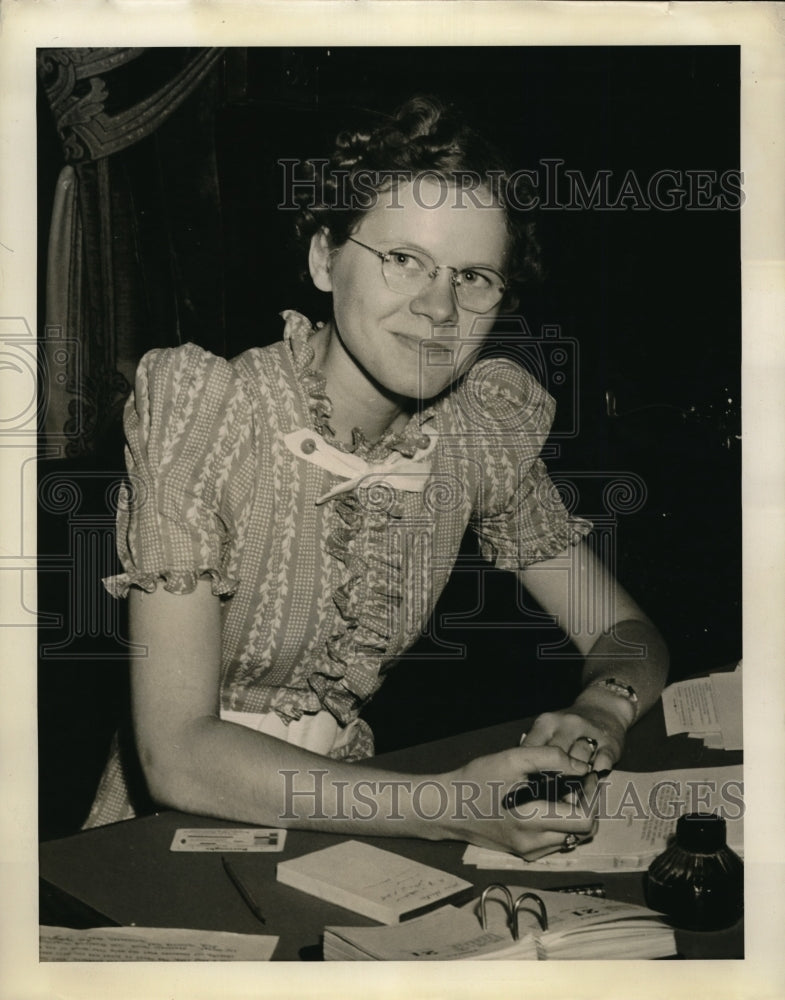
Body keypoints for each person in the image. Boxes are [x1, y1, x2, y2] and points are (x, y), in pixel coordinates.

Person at [85, 95, 668, 862]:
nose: (437, 308)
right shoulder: (208, 413)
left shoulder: (475, 435)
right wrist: (449, 805)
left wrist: (603, 709)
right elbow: (177, 756)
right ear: (325, 258)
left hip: (355, 818)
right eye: (403, 260)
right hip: (165, 842)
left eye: (474, 277)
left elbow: (625, 634)